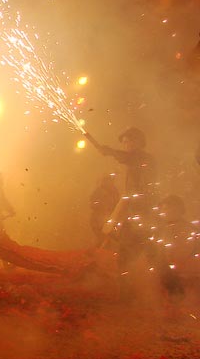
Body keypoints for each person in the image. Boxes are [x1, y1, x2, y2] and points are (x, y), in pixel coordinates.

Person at [85, 127, 158, 293]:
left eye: (129, 140)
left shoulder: (144, 159)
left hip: (145, 214)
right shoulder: (133, 161)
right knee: (131, 251)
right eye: (124, 142)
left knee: (148, 252)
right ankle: (128, 289)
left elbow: (129, 158)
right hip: (135, 214)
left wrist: (109, 151)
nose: (126, 144)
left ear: (139, 141)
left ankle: (164, 287)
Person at [152, 194, 198, 300]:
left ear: (179, 210)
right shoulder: (160, 230)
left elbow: (188, 253)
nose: (166, 212)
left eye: (170, 209)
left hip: (185, 273)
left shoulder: (189, 229)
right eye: (164, 209)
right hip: (167, 273)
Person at [88, 173, 119, 247]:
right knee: (100, 234)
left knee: (108, 235)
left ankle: (105, 247)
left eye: (109, 181)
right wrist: (99, 205)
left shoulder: (114, 191)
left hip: (111, 217)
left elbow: (117, 203)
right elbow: (92, 203)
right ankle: (101, 247)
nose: (108, 182)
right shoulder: (98, 191)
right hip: (99, 217)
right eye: (106, 180)